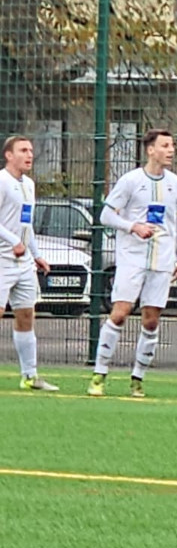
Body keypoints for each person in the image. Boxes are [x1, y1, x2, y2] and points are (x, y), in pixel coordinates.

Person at [88, 129, 177, 398]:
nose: (171, 150)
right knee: (120, 313)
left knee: (152, 321)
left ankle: (138, 378)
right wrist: (133, 226)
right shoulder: (131, 181)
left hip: (163, 260)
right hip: (132, 259)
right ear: (150, 150)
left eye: (173, 145)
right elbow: (106, 216)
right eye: (165, 145)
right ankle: (99, 374)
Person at [0, 135, 58, 391]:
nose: (29, 155)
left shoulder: (29, 185)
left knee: (26, 315)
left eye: (31, 150)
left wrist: (36, 254)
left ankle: (30, 376)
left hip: (23, 262)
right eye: (23, 150)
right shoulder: (1, 181)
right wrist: (12, 241)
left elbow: (27, 224)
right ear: (8, 155)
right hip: (2, 259)